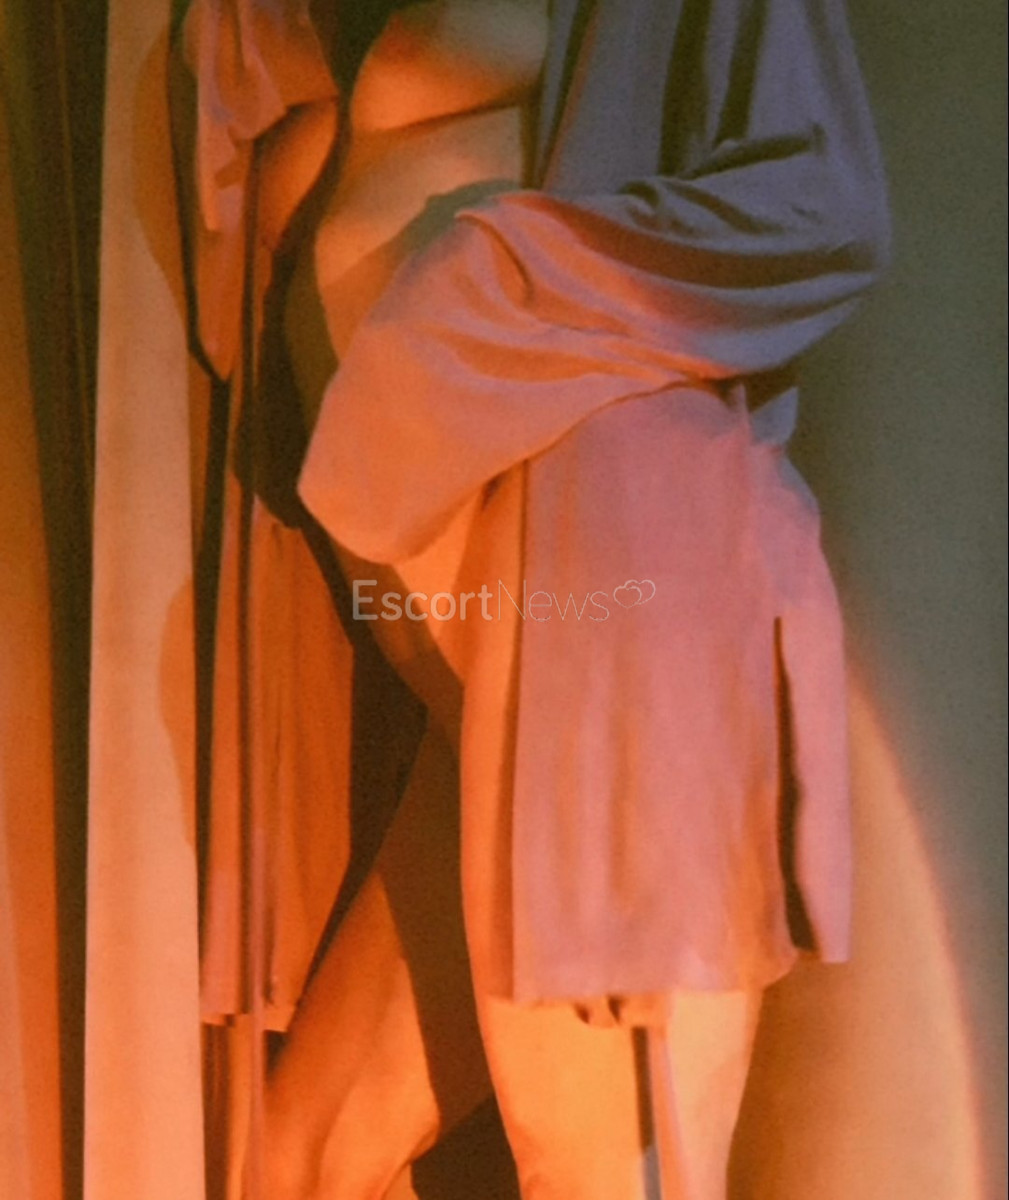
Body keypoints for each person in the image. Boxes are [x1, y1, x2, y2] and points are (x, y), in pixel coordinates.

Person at [177, 0, 890, 1196]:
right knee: (293, 1164)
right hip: (494, 693)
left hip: (615, 610)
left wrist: (485, 278)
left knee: (605, 1176)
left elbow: (825, 207)